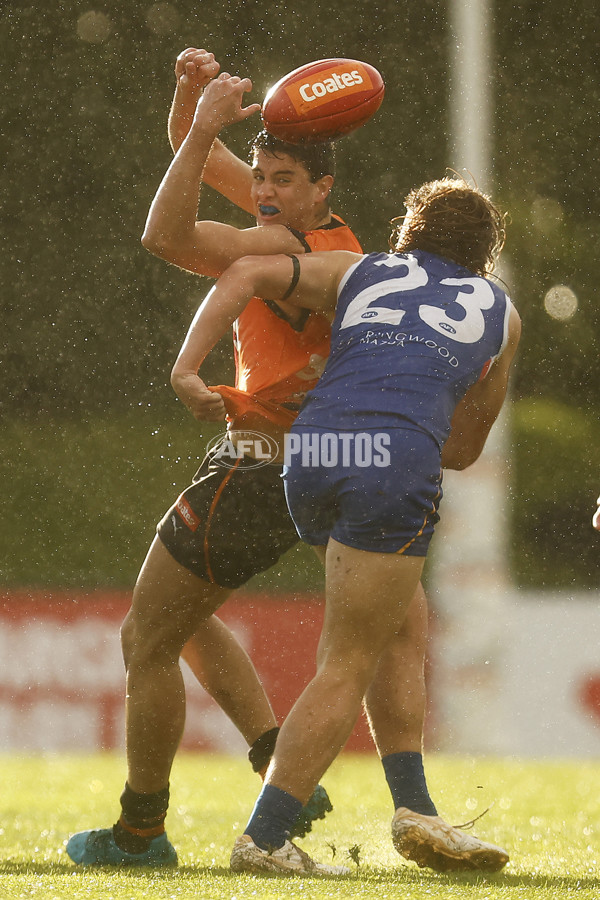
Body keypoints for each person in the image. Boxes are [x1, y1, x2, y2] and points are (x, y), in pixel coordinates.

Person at [64, 51, 504, 873]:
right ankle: (371, 785)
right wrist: (190, 102)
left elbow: (165, 232)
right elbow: (198, 157)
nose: (262, 189)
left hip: (259, 463)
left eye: (280, 177)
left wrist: (200, 127)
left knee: (147, 638)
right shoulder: (345, 246)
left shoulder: (277, 246)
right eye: (259, 174)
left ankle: (140, 831)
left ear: (319, 189)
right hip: (341, 458)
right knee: (389, 629)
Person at [170, 174, 521, 876]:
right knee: (346, 661)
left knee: (405, 623)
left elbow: (243, 273)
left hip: (311, 454)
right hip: (389, 465)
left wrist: (187, 369)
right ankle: (263, 841)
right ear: (484, 253)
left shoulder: (360, 270)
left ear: (408, 234)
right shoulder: (502, 313)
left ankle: (416, 807)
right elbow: (463, 449)